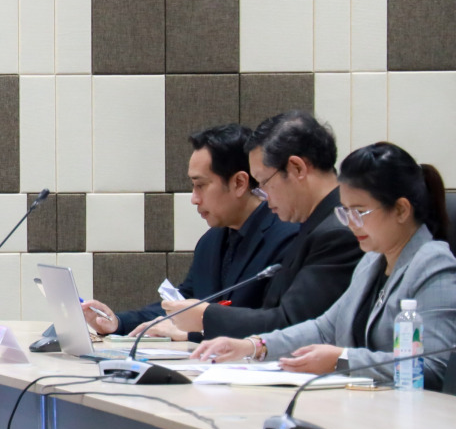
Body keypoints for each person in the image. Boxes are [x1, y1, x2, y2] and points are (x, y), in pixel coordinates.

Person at [193, 143, 456, 389]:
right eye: (345, 211)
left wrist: (341, 359)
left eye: (359, 212)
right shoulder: (372, 261)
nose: (350, 224)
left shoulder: (433, 265)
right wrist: (255, 346)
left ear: (401, 210)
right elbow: (324, 328)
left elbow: (432, 367)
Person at [83, 124, 298, 340]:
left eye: (200, 185)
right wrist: (118, 323)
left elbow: (278, 325)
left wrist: (193, 334)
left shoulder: (288, 238)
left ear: (239, 183)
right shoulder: (210, 241)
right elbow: (182, 305)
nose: (194, 199)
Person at [180, 111, 363, 343]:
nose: (263, 195)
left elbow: (294, 324)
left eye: (264, 182)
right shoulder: (314, 225)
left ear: (297, 168)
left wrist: (206, 316)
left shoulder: (337, 233)